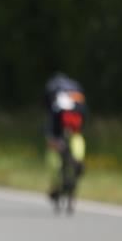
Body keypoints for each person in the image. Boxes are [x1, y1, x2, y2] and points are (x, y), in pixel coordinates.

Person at [44, 72, 88, 207]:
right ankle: (77, 162)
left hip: (61, 132)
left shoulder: (55, 99)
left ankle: (55, 186)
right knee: (77, 142)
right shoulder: (78, 95)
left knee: (53, 160)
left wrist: (51, 138)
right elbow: (84, 119)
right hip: (74, 133)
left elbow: (51, 124)